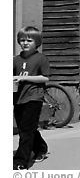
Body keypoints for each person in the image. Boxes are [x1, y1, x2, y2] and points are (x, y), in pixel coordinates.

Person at [13, 26, 51, 170]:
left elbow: (45, 77)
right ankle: (41, 148)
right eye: (22, 40)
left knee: (26, 130)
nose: (25, 43)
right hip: (18, 98)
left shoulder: (41, 58)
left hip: (34, 97)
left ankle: (20, 162)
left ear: (37, 42)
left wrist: (25, 78)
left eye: (29, 40)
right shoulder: (15, 59)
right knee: (25, 128)